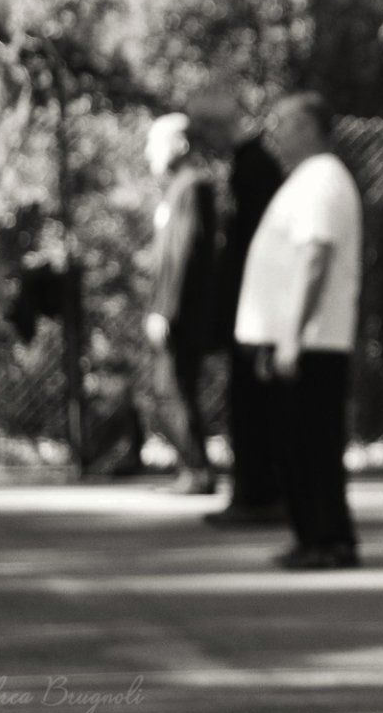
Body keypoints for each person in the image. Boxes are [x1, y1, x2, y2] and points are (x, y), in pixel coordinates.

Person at [235, 93, 364, 570]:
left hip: (312, 341)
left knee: (314, 445)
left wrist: (292, 334)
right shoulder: (303, 180)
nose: (276, 131)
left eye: (286, 122)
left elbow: (315, 258)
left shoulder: (324, 179)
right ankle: (311, 536)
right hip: (294, 339)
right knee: (294, 444)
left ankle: (331, 540)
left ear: (313, 128)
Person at [189, 85, 288, 526]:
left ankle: (258, 493)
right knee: (243, 401)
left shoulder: (256, 168)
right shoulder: (246, 166)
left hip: (257, 306)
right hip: (247, 304)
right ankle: (251, 489)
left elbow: (257, 246)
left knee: (252, 403)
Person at [143, 113, 218, 495]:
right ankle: (192, 468)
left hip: (183, 312)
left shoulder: (193, 187)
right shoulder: (178, 189)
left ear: (180, 145)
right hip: (176, 310)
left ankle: (198, 470)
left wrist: (165, 310)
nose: (148, 152)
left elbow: (184, 255)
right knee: (169, 387)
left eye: (155, 142)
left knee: (173, 387)